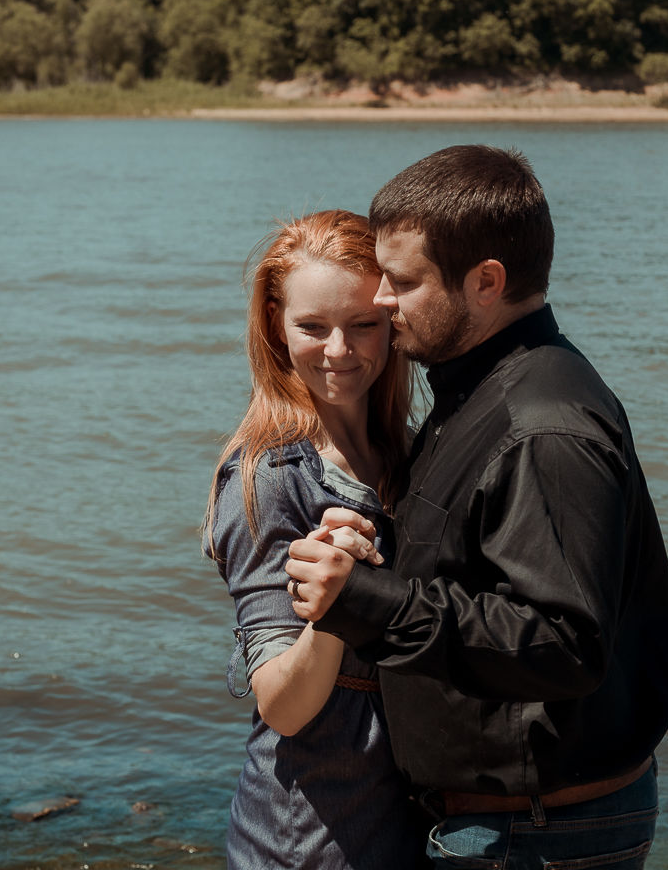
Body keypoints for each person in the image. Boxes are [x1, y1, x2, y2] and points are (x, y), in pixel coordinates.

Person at [283, 145, 668, 870]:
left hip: (537, 833)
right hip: (511, 827)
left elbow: (566, 642)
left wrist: (366, 602)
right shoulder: (475, 392)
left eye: (404, 282)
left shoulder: (541, 426)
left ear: (485, 282)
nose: (381, 301)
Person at [204, 209, 426, 870]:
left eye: (363, 324)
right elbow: (284, 704)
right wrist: (341, 604)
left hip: (398, 826)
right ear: (274, 321)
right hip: (306, 842)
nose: (339, 351)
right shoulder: (270, 476)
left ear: (393, 316)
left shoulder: (404, 451)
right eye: (311, 326)